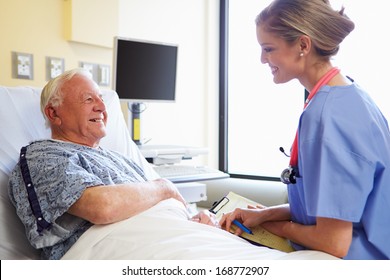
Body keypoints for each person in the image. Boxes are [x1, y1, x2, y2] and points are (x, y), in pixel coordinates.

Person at [220, 0, 390, 259]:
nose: (262, 59)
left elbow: (333, 241)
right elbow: (334, 209)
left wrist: (275, 227)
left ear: (302, 45)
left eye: (268, 49)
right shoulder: (350, 96)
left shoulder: (328, 116)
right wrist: (263, 214)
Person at [8, 68, 188, 260]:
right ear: (54, 114)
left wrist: (197, 220)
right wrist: (165, 188)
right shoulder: (43, 156)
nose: (102, 107)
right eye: (88, 99)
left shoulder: (121, 159)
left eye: (101, 98)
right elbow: (103, 207)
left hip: (174, 235)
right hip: (124, 249)